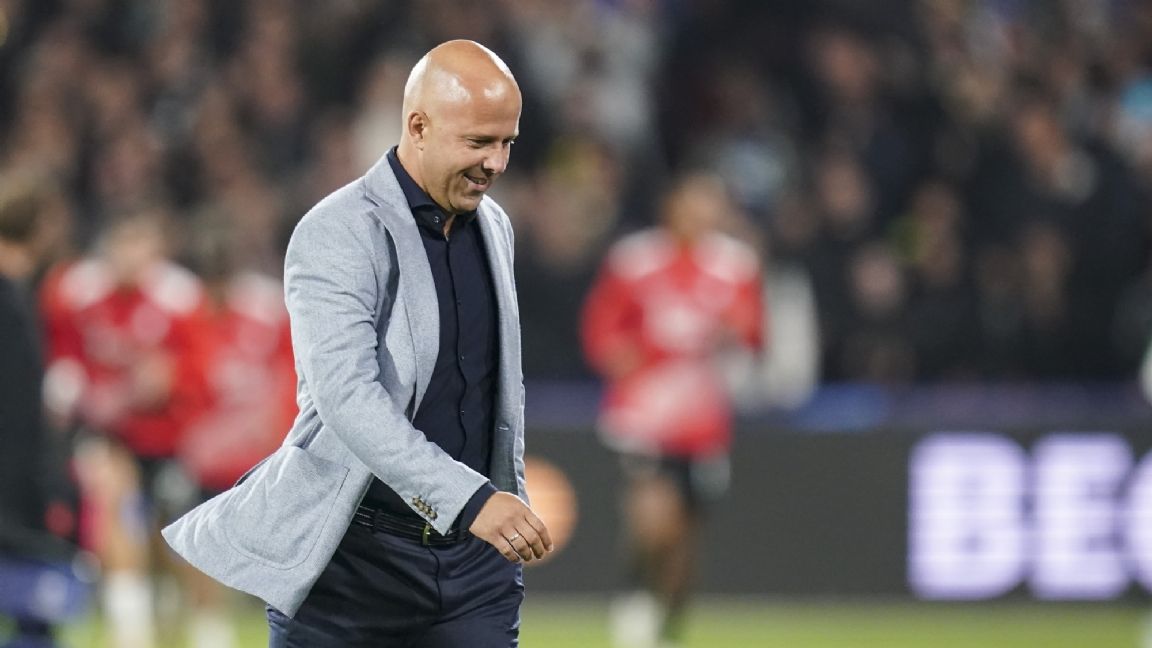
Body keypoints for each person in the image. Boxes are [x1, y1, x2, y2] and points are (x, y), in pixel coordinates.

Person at [163, 39, 553, 647]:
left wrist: (507, 494)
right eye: (479, 142)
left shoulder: (494, 226)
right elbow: (348, 398)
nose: (496, 163)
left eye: (508, 142)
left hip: (472, 571)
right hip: (351, 569)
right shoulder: (337, 232)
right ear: (418, 127)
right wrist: (470, 499)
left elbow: (499, 388)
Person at [581, 172, 765, 648]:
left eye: (712, 204)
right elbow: (602, 327)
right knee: (652, 517)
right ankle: (634, 601)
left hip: (704, 419)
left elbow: (753, 332)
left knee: (685, 538)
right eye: (694, 203)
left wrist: (735, 336)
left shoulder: (735, 265)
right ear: (672, 207)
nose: (702, 214)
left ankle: (669, 624)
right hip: (645, 413)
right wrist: (619, 356)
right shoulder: (635, 259)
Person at [40, 208, 210, 648]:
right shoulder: (77, 291)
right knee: (116, 517)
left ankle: (200, 628)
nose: (130, 256)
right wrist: (74, 392)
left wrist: (169, 382)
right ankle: (131, 633)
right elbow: (62, 355)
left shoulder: (180, 298)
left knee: (173, 538)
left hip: (166, 438)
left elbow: (199, 372)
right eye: (123, 244)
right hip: (107, 434)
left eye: (139, 245)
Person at [0, 176, 86, 648]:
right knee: (34, 620)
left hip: (15, 485)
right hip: (11, 488)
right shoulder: (10, 301)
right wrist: (46, 483)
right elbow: (20, 411)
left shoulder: (20, 294)